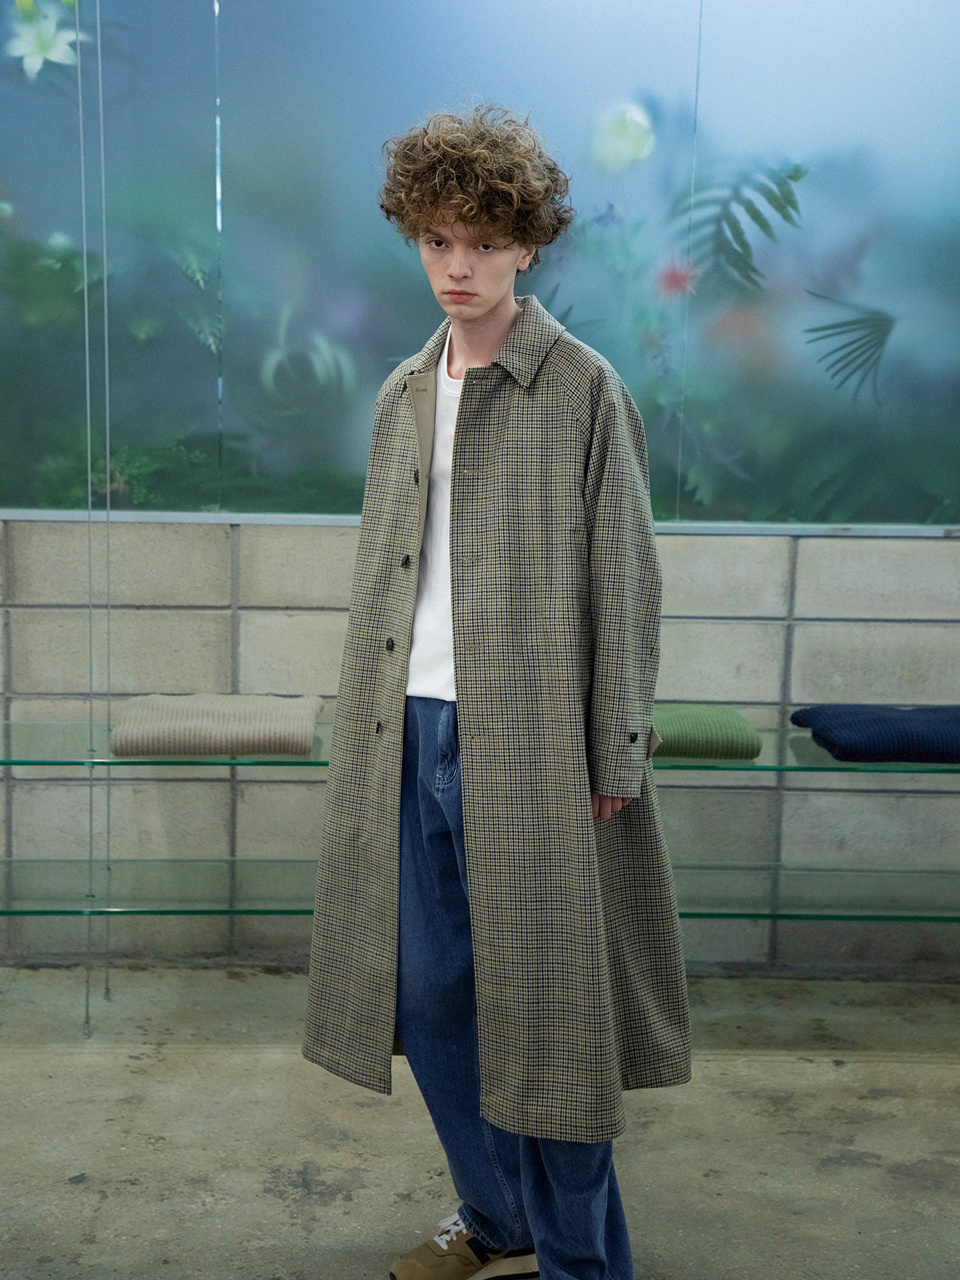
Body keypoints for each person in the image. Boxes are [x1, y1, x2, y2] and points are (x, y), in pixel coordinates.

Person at [302, 105, 691, 1280]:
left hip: (530, 744)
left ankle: (582, 1259)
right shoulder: (402, 394)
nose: (456, 266)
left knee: (550, 1016)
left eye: (480, 240)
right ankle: (496, 1213)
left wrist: (616, 748)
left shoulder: (581, 389)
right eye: (436, 240)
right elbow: (386, 580)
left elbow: (627, 578)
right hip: (406, 729)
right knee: (427, 996)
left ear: (527, 243)